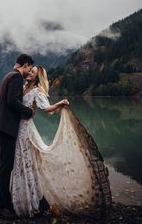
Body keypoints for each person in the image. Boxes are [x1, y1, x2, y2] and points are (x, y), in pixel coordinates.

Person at [10, 65, 112, 218]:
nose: (30, 73)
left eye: (33, 72)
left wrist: (59, 104)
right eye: (30, 71)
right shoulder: (24, 86)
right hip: (17, 127)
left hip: (26, 129)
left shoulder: (37, 91)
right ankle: (21, 200)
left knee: (27, 162)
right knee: (21, 163)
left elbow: (46, 108)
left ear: (38, 78)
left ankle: (31, 203)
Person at [0, 53, 35, 219]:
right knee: (5, 167)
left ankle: (5, 203)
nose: (29, 71)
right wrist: (28, 110)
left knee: (5, 166)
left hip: (0, 126)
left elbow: (9, 100)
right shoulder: (16, 78)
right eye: (29, 67)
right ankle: (0, 208)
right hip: (6, 127)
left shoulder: (8, 75)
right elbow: (12, 101)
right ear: (24, 65)